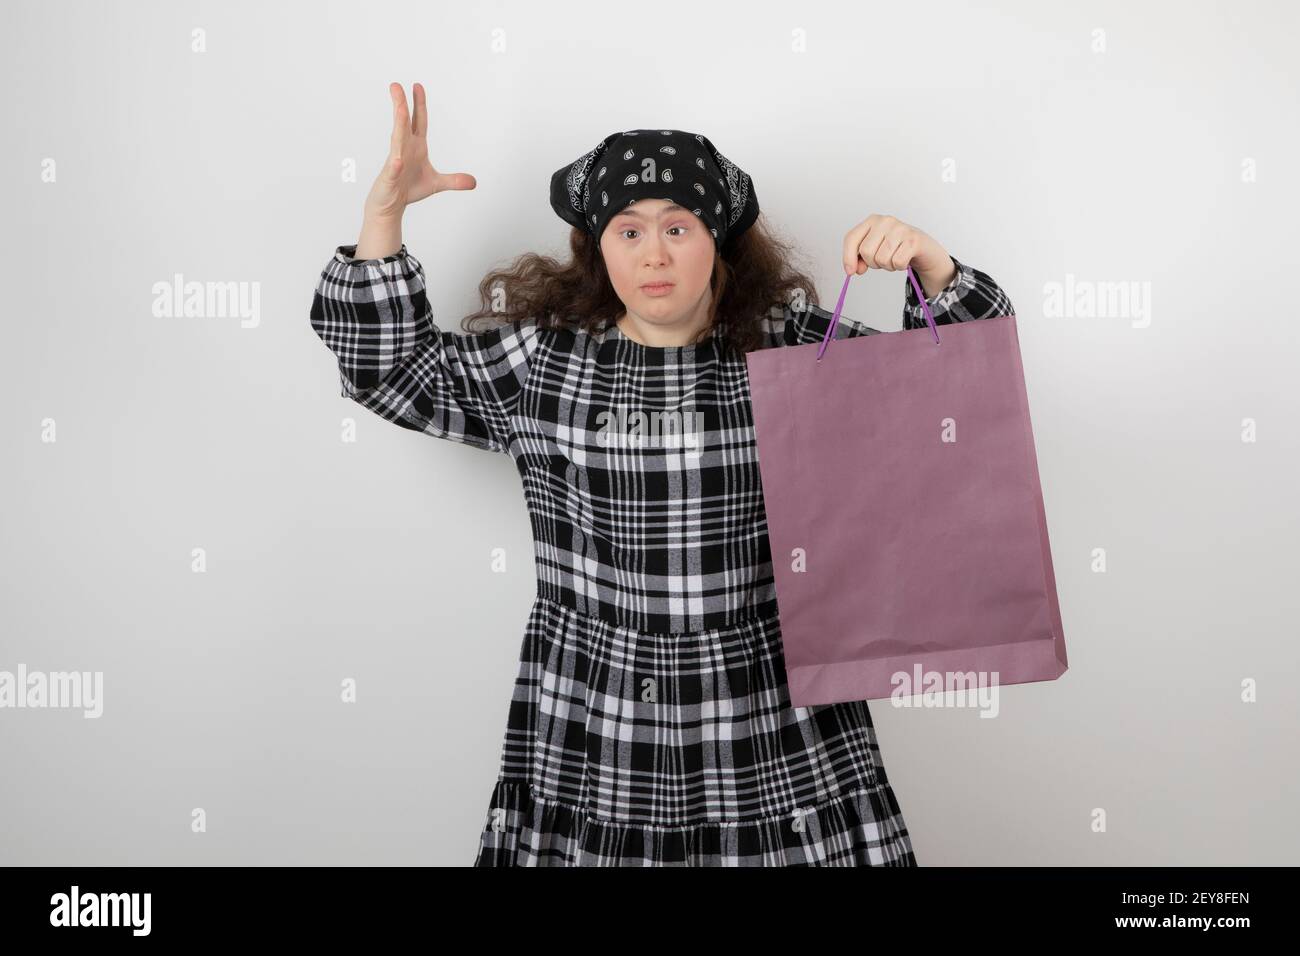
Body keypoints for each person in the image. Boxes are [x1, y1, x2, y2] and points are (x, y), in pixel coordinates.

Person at [309, 82, 1016, 866]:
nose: (654, 253)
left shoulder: (792, 356)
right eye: (629, 229)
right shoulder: (545, 363)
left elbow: (955, 405)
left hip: (769, 711)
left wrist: (932, 264)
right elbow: (389, 370)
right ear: (596, 245)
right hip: (592, 716)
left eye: (678, 226)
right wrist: (383, 221)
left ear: (716, 238)